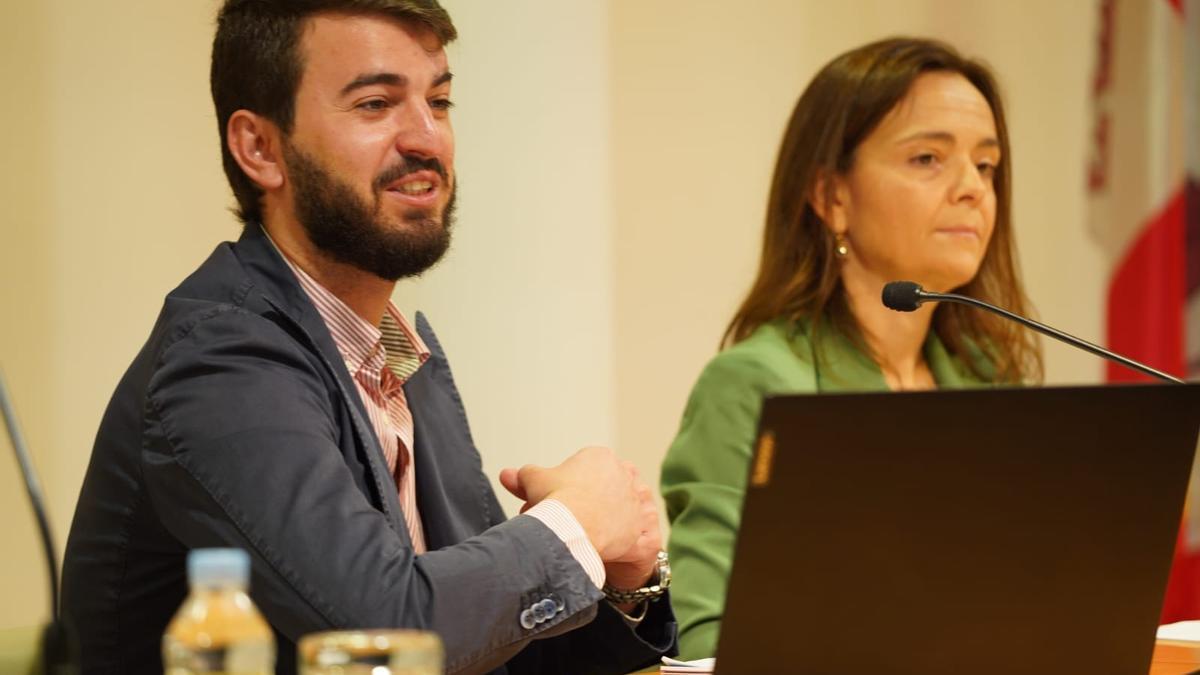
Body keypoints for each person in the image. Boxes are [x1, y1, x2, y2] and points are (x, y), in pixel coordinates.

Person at [61, 1, 675, 673]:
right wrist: (576, 523)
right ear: (260, 148)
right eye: (377, 103)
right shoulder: (224, 358)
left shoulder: (397, 352)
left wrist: (624, 579)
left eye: (439, 101)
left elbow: (490, 647)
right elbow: (384, 637)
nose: (427, 138)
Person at [659, 37, 1044, 659]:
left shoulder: (988, 381)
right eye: (928, 158)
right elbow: (712, 645)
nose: (972, 188)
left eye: (986, 166)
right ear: (831, 196)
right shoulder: (754, 386)